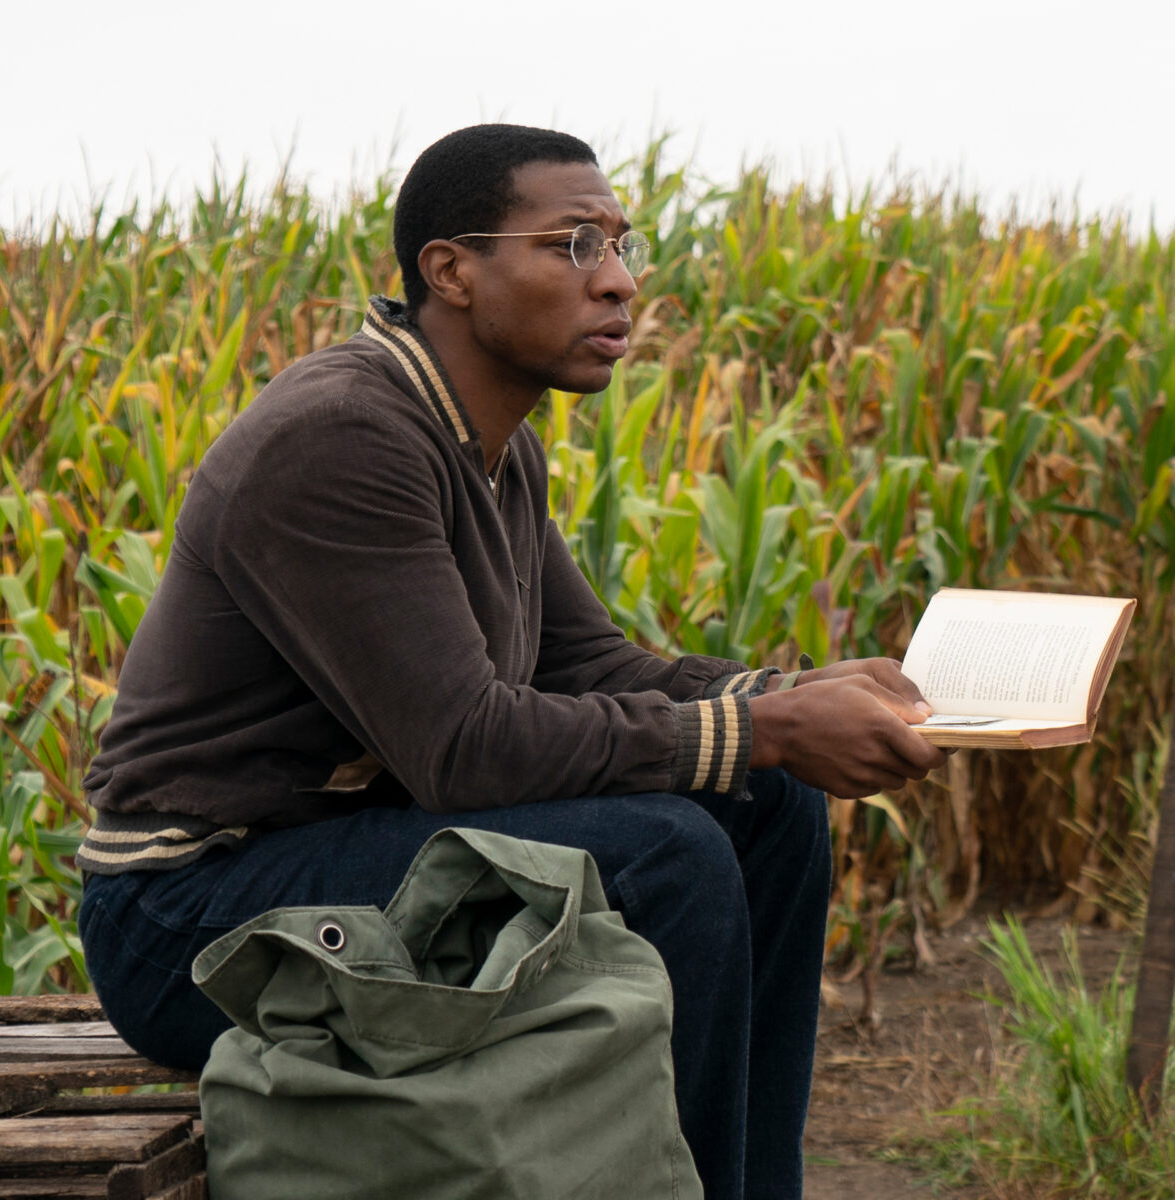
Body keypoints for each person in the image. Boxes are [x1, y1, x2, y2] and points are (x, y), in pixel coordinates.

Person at [76, 123, 946, 1200]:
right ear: (452, 270)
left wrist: (787, 694)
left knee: (769, 806)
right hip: (192, 912)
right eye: (574, 245)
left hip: (343, 856)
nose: (620, 283)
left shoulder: (492, 446)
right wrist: (762, 728)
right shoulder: (344, 436)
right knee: (667, 849)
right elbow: (467, 747)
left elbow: (586, 662)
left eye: (623, 245)